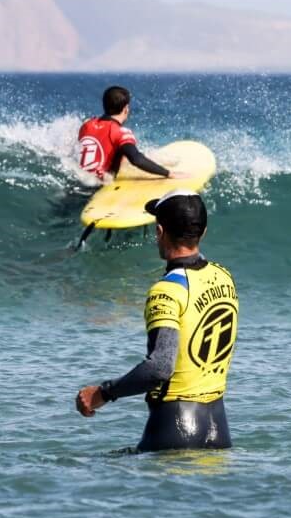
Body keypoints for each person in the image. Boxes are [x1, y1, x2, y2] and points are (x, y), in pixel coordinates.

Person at [75, 191, 238, 451]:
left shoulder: (167, 290)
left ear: (160, 232)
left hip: (174, 430)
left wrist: (103, 393)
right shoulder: (224, 278)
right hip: (219, 432)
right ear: (203, 232)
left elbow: (161, 367)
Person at [78, 85, 170, 181]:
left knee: (118, 151)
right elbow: (137, 160)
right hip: (100, 185)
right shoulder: (121, 132)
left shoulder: (87, 124)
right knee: (123, 150)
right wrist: (168, 173)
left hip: (81, 179)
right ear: (126, 109)